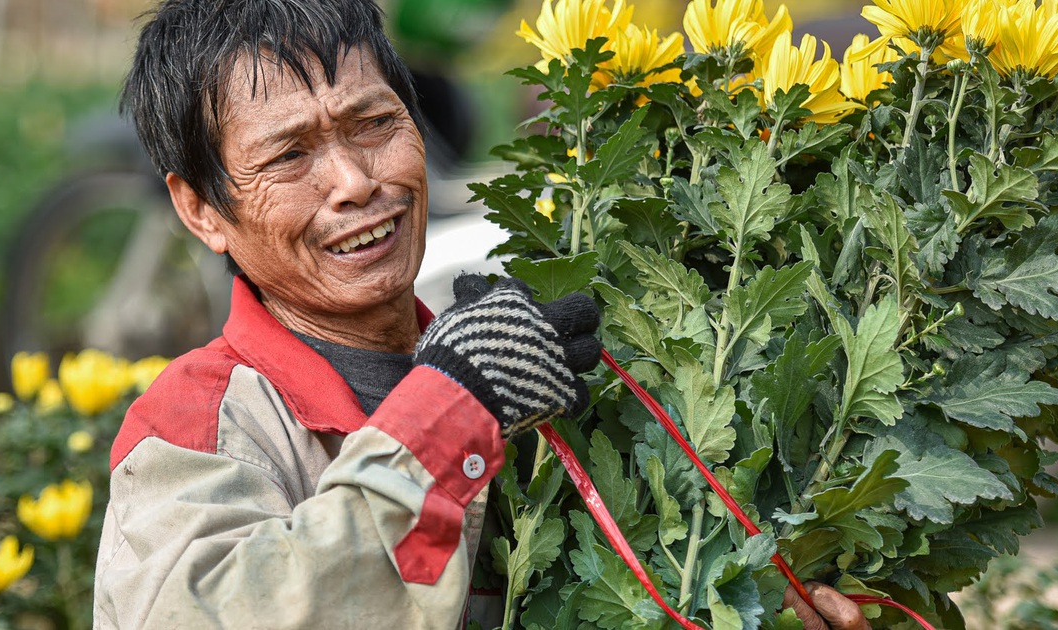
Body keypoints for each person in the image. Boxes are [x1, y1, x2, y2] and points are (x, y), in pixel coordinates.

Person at [92, 1, 870, 628]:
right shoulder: (194, 431)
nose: (355, 181)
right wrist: (454, 409)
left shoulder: (525, 366)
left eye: (374, 123)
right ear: (201, 209)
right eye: (290, 156)